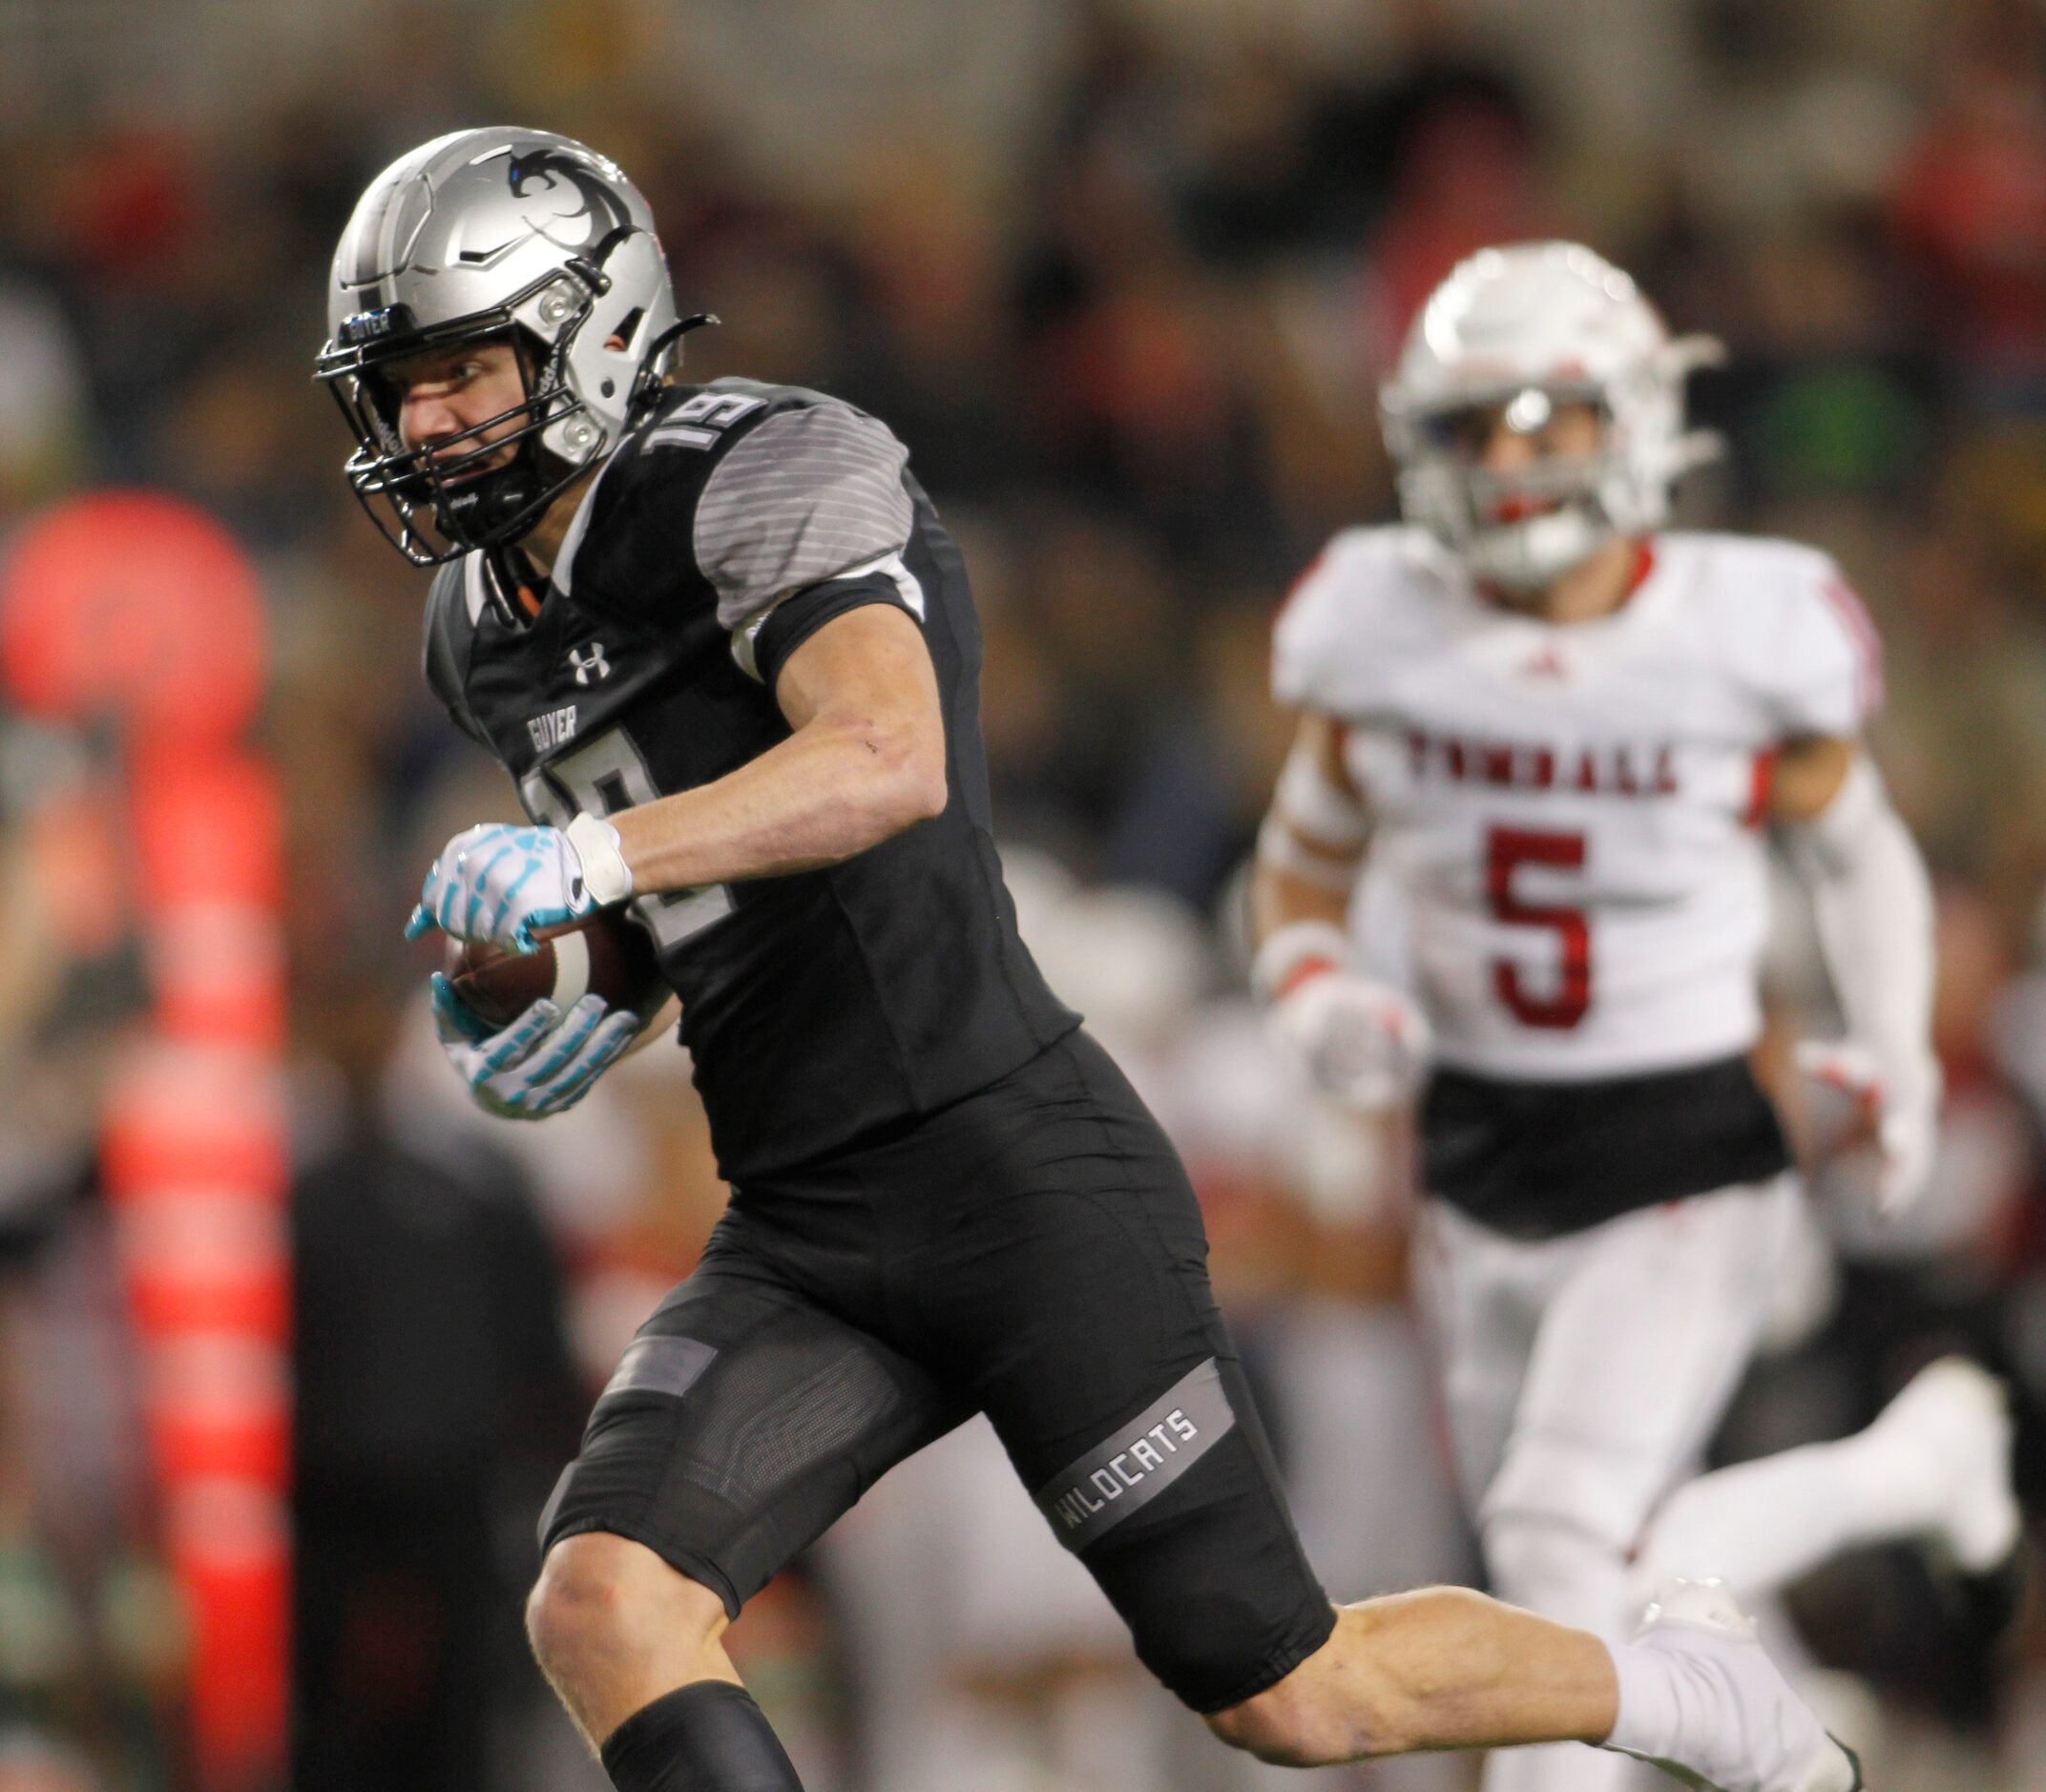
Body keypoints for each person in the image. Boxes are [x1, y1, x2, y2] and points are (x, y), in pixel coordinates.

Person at [318, 133, 1860, 1792]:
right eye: (399, 389)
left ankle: (1690, 1690)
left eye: (463, 372)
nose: (425, 427)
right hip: (802, 1219)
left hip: (1013, 1171)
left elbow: (883, 758)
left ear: (598, 329)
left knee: (1292, 1691)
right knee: (603, 1601)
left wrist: (591, 859)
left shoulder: (758, 467)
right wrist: (566, 986)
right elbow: (694, 904)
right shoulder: (478, 622)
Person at [1251, 240, 2022, 1792]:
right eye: (1482, 426)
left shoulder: (1742, 626)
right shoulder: (1377, 624)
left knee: (1556, 1535)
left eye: (1554, 418)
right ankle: (1905, 1482)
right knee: (1608, 1563)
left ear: (1640, 421)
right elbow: (1303, 864)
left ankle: (1790, 1722)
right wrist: (1312, 983)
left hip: (1681, 1130)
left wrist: (1890, 1047)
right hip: (1474, 1145)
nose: (1518, 460)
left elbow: (1859, 845)